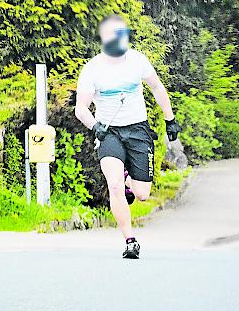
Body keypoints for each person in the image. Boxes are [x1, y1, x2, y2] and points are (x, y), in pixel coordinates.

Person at [75, 15, 181, 259]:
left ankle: (128, 181)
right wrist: (94, 126)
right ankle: (130, 241)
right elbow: (80, 109)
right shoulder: (93, 69)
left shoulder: (137, 61)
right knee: (113, 184)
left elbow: (156, 87)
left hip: (138, 130)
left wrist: (170, 119)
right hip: (109, 132)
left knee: (142, 194)